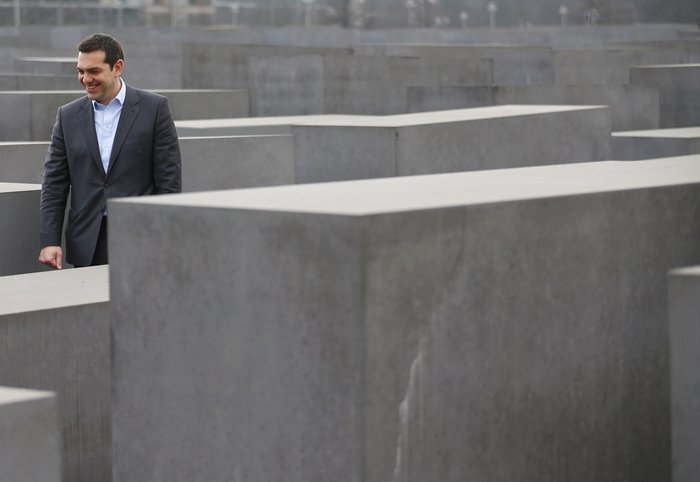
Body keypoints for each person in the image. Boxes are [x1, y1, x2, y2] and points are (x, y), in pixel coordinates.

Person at [38, 33, 181, 269]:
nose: (85, 79)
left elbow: (169, 182)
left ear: (118, 67)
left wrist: (166, 236)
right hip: (86, 242)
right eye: (80, 71)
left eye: (93, 71)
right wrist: (49, 241)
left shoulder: (155, 108)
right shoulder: (67, 116)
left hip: (141, 237)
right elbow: (54, 183)